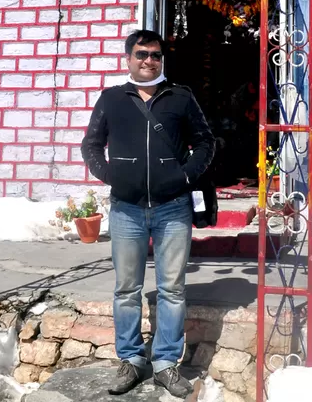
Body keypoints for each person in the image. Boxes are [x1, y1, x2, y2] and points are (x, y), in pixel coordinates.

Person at [81, 29, 215, 397]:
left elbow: (206, 142)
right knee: (127, 289)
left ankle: (166, 364)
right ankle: (131, 360)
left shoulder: (181, 98)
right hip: (127, 209)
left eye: (155, 55)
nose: (149, 61)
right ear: (128, 58)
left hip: (173, 208)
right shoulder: (111, 99)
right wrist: (110, 174)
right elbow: (91, 144)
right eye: (142, 54)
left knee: (172, 289)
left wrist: (185, 174)